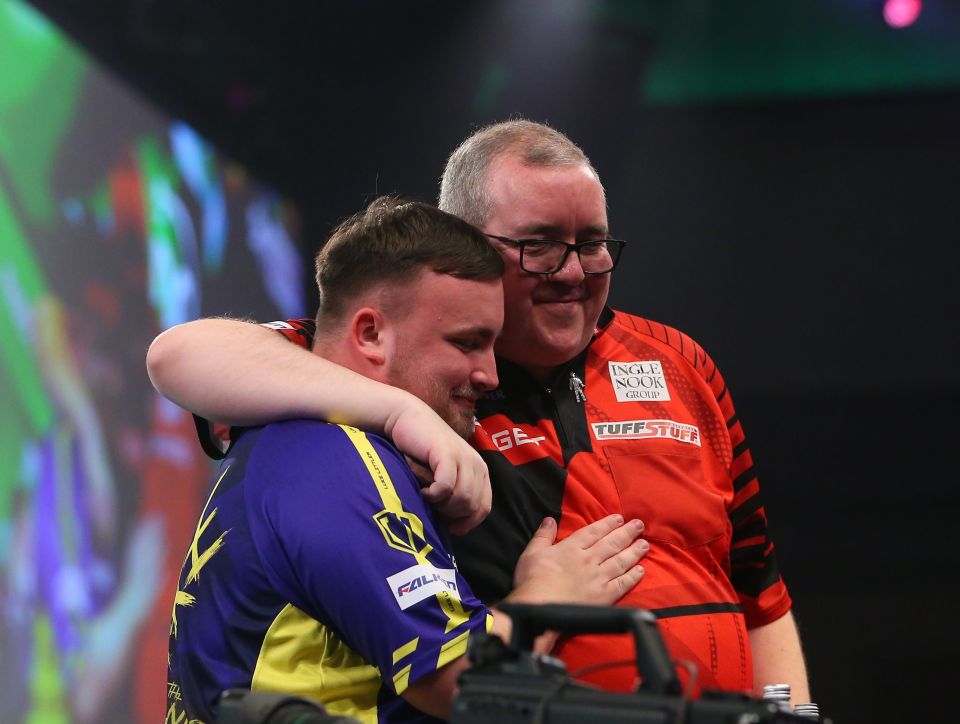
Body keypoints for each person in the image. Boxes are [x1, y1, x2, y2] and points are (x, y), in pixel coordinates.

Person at [148, 121, 810, 702]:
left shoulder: (681, 364)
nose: (575, 271)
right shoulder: (410, 370)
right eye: (541, 244)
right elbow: (179, 355)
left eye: (594, 242)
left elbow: (761, 590)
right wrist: (402, 414)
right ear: (463, 243)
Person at [164, 197, 648, 723]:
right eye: (468, 343)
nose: (490, 374)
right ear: (370, 334)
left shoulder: (290, 429)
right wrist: (549, 596)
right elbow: (462, 682)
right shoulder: (340, 459)